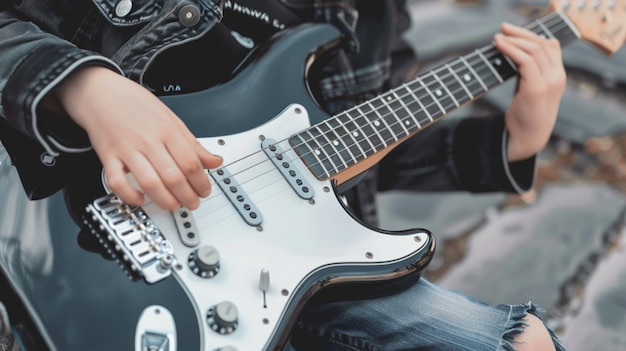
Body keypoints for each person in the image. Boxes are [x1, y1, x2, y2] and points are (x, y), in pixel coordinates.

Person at [0, 0, 567, 350]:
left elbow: (355, 142)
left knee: (531, 343)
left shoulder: (369, 13)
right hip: (79, 231)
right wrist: (85, 86)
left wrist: (510, 140)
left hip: (292, 264)